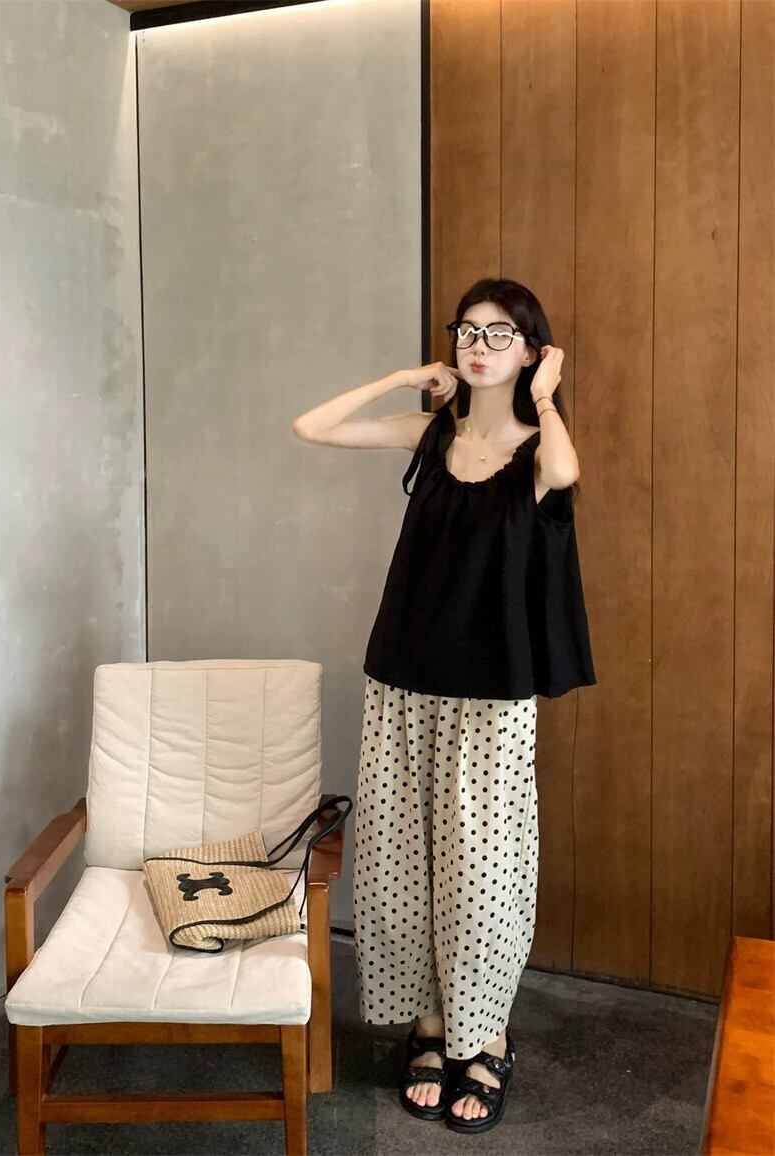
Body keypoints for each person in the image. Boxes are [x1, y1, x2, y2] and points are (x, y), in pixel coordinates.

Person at [291, 277, 596, 1133]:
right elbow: (311, 426)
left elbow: (565, 471)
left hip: (491, 694)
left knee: (483, 874)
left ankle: (484, 1034)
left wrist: (545, 397)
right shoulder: (432, 434)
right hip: (402, 679)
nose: (478, 345)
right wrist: (405, 377)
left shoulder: (537, 449)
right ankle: (430, 1024)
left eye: (500, 334)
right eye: (468, 331)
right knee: (401, 863)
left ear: (532, 351)